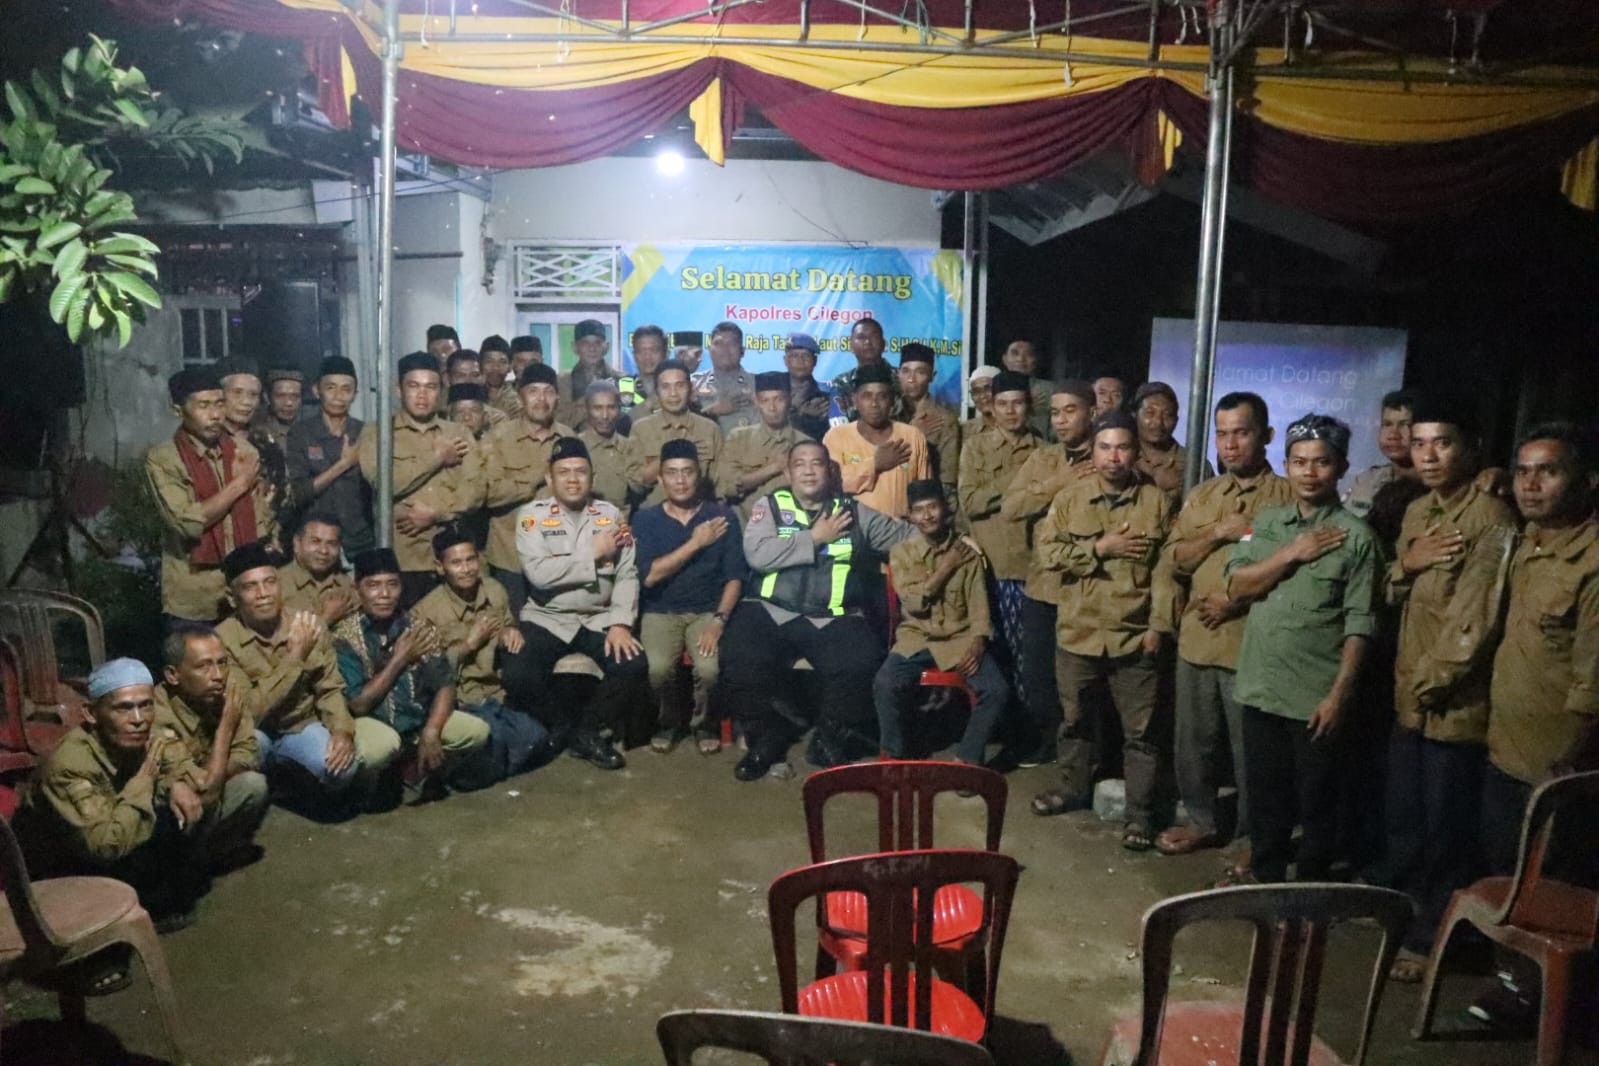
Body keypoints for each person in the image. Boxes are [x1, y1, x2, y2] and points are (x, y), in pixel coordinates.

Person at [1381, 397, 1516, 979]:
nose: (1429, 455)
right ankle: (1409, 918)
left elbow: (1475, 620)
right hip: (1410, 697)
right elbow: (1392, 589)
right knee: (1407, 823)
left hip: (1452, 705)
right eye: (1420, 444)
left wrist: (1430, 684)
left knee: (1446, 831)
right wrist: (1407, 565)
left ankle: (1434, 939)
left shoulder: (1490, 519)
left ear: (1470, 449)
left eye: (1443, 443)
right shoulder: (1418, 512)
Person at [1470, 421, 1598, 1029]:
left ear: (1586, 481)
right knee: (1511, 877)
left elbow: (1593, 683)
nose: (1531, 484)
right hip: (1506, 750)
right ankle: (1515, 985)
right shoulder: (1528, 543)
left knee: (1555, 889)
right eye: (1523, 471)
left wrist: (1571, 765)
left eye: (1549, 471)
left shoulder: (1591, 564)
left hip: (1558, 765)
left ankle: (1548, 1004)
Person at [1223, 415, 1378, 884]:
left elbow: (1360, 624)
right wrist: (1291, 553)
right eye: (1299, 462)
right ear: (1286, 465)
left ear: (1342, 467)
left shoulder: (1358, 538)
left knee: (1317, 806)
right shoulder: (1266, 524)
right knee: (1265, 799)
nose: (1309, 472)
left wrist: (1339, 696)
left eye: (1322, 462)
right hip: (1261, 687)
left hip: (1313, 696)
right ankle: (1266, 882)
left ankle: (1309, 894)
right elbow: (1237, 585)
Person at [1151, 392, 1294, 860]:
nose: (1230, 444)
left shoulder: (1288, 498)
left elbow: (1293, 568)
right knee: (1193, 743)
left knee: (1252, 751)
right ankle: (1201, 820)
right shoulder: (1204, 496)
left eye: (1242, 433)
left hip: (1252, 643)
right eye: (1222, 434)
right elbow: (1175, 559)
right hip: (1198, 638)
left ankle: (1252, 838)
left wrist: (1235, 602)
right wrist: (1217, 532)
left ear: (1266, 436)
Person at [721, 440, 916, 780]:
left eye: (817, 464)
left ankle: (828, 737)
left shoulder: (853, 512)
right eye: (800, 464)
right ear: (788, 473)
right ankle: (767, 737)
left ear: (829, 471)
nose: (809, 471)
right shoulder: (770, 507)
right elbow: (758, 555)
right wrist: (815, 537)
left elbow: (906, 536)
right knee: (739, 659)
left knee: (863, 662)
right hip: (771, 610)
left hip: (832, 616)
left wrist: (950, 540)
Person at [1030, 410, 1172, 854]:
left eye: (1123, 447)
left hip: (1134, 634)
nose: (1114, 457)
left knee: (1141, 733)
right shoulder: (1070, 499)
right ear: (1092, 452)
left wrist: (1159, 626)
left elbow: (1166, 572)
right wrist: (1099, 548)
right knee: (1074, 722)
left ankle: (1140, 814)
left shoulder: (1156, 502)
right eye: (1105, 447)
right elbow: (1048, 553)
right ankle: (1072, 789)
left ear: (1136, 452)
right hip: (1079, 632)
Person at [18, 658, 222, 930]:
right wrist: (145, 780)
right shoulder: (70, 765)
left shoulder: (141, 732)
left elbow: (182, 767)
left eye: (145, 705)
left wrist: (174, 783)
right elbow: (105, 845)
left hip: (114, 829)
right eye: (123, 708)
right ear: (91, 714)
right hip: (61, 866)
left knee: (183, 811)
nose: (138, 719)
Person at [500, 436, 647, 771]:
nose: (572, 479)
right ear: (549, 478)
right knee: (517, 672)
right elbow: (539, 574)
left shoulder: (611, 515)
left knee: (633, 665)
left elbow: (627, 573)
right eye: (563, 472)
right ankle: (562, 725)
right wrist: (592, 552)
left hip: (598, 617)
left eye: (581, 471)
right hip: (548, 617)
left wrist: (621, 623)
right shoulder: (532, 517)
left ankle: (588, 730)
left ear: (592, 477)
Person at [216, 541, 399, 805]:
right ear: (232, 597)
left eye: (270, 582)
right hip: (255, 731)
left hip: (300, 725)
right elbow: (249, 712)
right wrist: (294, 657)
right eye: (250, 586)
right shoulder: (221, 641)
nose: (263, 593)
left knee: (341, 768)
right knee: (241, 764)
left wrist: (342, 731)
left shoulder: (308, 624)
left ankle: (295, 784)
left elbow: (330, 688)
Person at [333, 549, 490, 802]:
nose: (384, 594)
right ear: (357, 588)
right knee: (380, 747)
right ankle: (368, 786)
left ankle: (418, 769)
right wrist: (400, 658)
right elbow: (359, 704)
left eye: (392, 584)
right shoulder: (345, 636)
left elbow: (445, 684)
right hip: (372, 724)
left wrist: (432, 730)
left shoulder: (417, 626)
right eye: (373, 586)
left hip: (417, 721)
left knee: (476, 731)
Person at [874, 480, 1008, 766]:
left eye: (933, 507)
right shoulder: (902, 553)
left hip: (959, 637)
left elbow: (979, 606)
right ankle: (894, 757)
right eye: (919, 510)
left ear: (945, 509)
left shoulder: (968, 553)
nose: (927, 515)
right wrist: (947, 566)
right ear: (911, 516)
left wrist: (979, 641)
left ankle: (967, 760)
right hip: (917, 637)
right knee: (885, 683)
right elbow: (914, 603)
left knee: (996, 690)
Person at [999, 378, 1097, 764]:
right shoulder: (1043, 459)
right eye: (1055, 412)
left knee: (1083, 681)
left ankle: (1085, 754)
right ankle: (1048, 742)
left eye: (1070, 411)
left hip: (1088, 588)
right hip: (1043, 585)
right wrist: (1060, 482)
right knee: (1039, 677)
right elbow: (1011, 508)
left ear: (1092, 412)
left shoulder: (1109, 455)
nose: (1061, 420)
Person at [411, 527, 549, 787]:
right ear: (440, 567)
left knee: (536, 737)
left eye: (471, 560)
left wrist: (509, 631)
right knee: (495, 742)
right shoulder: (426, 612)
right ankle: (463, 772)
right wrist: (469, 644)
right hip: (462, 700)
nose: (466, 569)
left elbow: (507, 623)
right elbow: (428, 672)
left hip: (496, 695)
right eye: (456, 563)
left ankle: (488, 766)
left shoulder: (494, 590)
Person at [634, 439, 745, 754]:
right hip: (660, 610)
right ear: (660, 479)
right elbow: (649, 576)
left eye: (687, 472)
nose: (680, 480)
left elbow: (735, 577)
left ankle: (703, 724)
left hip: (707, 610)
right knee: (657, 669)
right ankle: (669, 722)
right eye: (672, 473)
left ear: (699, 475)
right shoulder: (645, 519)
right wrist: (696, 543)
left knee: (709, 670)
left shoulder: (722, 517)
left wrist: (719, 621)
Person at [146, 368, 271, 627]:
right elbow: (187, 523)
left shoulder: (245, 452)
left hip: (244, 593)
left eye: (219, 404)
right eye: (203, 406)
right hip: (194, 598)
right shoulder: (164, 458)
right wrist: (240, 485)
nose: (215, 415)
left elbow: (261, 525)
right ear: (178, 410)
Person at [360, 351, 486, 609]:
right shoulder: (378, 433)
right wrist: (437, 458)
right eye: (414, 386)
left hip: (452, 558)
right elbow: (384, 484)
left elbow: (476, 490)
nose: (422, 395)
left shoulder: (458, 433)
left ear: (440, 391)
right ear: (398, 390)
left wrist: (437, 514)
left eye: (430, 387)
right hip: (401, 560)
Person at [958, 371, 1040, 723]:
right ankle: (996, 724)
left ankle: (1025, 727)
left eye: (1017, 403)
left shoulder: (1044, 450)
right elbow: (971, 502)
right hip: (989, 566)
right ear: (991, 406)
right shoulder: (976, 447)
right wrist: (1019, 481)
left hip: (1031, 567)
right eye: (1002, 404)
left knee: (1028, 656)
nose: (1010, 411)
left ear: (1029, 406)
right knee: (992, 652)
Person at [154, 624, 271, 867]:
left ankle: (210, 852)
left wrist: (215, 775)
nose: (218, 675)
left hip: (208, 787)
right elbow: (204, 793)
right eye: (203, 666)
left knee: (254, 779)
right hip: (170, 808)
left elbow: (247, 752)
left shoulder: (226, 692)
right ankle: (182, 862)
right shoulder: (158, 712)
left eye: (222, 663)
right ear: (173, 675)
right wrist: (225, 729)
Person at [482, 362, 575, 618]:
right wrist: (533, 480)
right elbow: (488, 493)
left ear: (557, 398)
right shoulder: (498, 438)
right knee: (511, 631)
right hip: (509, 559)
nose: (541, 400)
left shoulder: (569, 439)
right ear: (521, 396)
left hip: (556, 556)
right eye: (533, 391)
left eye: (548, 392)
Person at [286, 356, 374, 555]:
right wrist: (344, 464)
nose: (338, 396)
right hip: (316, 542)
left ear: (355, 394)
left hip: (360, 541)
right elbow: (298, 494)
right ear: (316, 390)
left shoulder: (366, 433)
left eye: (346, 389)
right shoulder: (301, 433)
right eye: (330, 388)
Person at [823, 362, 930, 519]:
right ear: (854, 400)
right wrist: (874, 465)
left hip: (902, 530)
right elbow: (830, 485)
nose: (874, 404)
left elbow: (924, 493)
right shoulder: (836, 437)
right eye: (867, 396)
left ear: (892, 400)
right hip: (852, 529)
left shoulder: (912, 437)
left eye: (882, 396)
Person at [218, 357, 295, 552]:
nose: (246, 402)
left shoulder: (265, 443)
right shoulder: (207, 443)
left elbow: (283, 498)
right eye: (237, 393)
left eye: (253, 395)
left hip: (264, 547)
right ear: (220, 395)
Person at [630, 359, 723, 509]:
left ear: (690, 388)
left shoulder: (709, 429)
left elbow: (722, 485)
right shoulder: (641, 429)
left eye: (679, 385)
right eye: (665, 387)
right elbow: (636, 485)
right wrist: (667, 456)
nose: (673, 394)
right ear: (656, 391)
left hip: (701, 515)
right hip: (654, 515)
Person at [717, 372, 810, 520]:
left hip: (793, 527)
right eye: (765, 400)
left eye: (778, 399)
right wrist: (774, 468)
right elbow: (726, 487)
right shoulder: (738, 439)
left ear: (789, 400)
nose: (772, 407)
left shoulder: (806, 444)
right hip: (746, 527)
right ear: (756, 402)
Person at [1132, 381, 1212, 508]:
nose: (1158, 422)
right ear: (1135, 415)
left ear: (1176, 420)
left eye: (1167, 415)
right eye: (1150, 413)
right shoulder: (1119, 455)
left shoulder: (1194, 464)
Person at [897, 343, 961, 493]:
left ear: (932, 376)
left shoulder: (945, 420)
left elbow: (947, 479)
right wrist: (912, 434)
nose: (911, 379)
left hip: (925, 498)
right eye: (906, 371)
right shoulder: (887, 413)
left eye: (920, 372)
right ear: (898, 374)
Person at [1343, 389, 1417, 518]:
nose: (1393, 435)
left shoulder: (1435, 485)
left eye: (1405, 425)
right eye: (1387, 424)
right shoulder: (1366, 481)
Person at [278, 512, 359, 625]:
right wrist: (326, 618)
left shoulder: (346, 585)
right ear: (297, 543)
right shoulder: (277, 585)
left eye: (331, 543)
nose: (323, 551)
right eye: (315, 541)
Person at [580, 380, 640, 510]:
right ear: (586, 410)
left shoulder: (630, 447)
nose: (605, 416)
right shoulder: (576, 447)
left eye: (611, 407)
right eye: (598, 408)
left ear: (619, 409)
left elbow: (639, 488)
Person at [558, 319, 628, 430]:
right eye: (585, 343)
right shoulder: (563, 381)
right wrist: (593, 394)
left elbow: (629, 421)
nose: (592, 348)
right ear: (575, 347)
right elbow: (560, 422)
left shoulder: (623, 380)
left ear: (606, 347)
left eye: (597, 343)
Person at [692, 321, 759, 433]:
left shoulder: (758, 385)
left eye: (732, 344)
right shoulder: (693, 383)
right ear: (709, 350)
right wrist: (711, 411)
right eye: (718, 344)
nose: (725, 349)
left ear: (742, 351)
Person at [830, 317, 899, 423]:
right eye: (861, 337)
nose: (867, 342)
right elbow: (840, 420)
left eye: (874, 337)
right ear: (851, 345)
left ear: (884, 344)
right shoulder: (841, 383)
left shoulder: (900, 378)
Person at [1000, 340, 1054, 438]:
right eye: (1015, 353)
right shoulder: (994, 388)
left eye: (1028, 354)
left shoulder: (1049, 389)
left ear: (1035, 360)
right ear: (1005, 359)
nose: (1021, 359)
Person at [783, 332, 831, 440]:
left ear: (815, 361)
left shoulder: (824, 396)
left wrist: (806, 418)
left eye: (806, 356)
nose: (800, 361)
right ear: (785, 360)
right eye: (794, 356)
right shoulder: (772, 389)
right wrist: (799, 412)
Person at [627, 323, 669, 419]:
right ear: (634, 355)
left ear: (666, 353)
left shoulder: (675, 390)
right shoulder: (624, 388)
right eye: (641, 351)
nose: (647, 357)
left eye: (653, 350)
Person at [259, 366, 305, 448]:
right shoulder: (258, 433)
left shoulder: (311, 431)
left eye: (295, 396)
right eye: (281, 396)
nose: (289, 403)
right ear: (267, 397)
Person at [479, 335, 520, 419]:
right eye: (489, 361)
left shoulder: (516, 401)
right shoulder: (471, 394)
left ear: (510, 366)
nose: (495, 367)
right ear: (480, 364)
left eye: (502, 362)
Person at [963, 365, 999, 436]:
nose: (982, 396)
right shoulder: (965, 430)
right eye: (976, 391)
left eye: (988, 389)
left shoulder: (1016, 426)